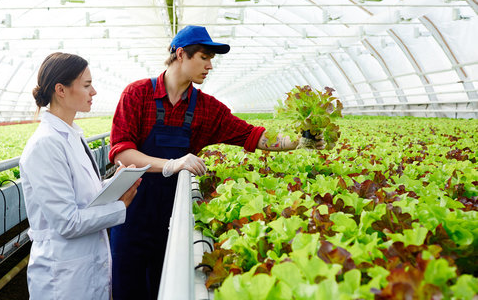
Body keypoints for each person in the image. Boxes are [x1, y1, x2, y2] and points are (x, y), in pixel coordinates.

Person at [108, 25, 324, 300]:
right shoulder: (137, 94)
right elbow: (122, 153)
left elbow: (253, 136)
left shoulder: (207, 108)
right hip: (131, 215)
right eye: (204, 57)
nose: (210, 65)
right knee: (128, 289)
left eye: (212, 59)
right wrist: (173, 164)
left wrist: (298, 141)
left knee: (167, 288)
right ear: (180, 54)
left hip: (174, 221)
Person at [20, 52, 141, 300]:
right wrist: (120, 206)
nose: (93, 91)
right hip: (62, 277)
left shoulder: (72, 136)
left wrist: (112, 184)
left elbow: (81, 193)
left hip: (82, 267)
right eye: (86, 85)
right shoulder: (45, 145)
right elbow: (67, 222)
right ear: (61, 90)